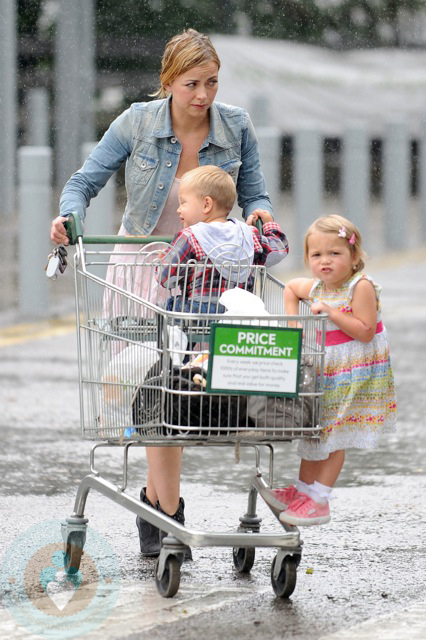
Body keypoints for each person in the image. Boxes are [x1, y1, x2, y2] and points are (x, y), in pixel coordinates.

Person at [49, 28, 281, 559]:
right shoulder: (136, 122)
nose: (203, 95)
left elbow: (256, 193)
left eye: (212, 83)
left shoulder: (236, 125)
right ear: (169, 81)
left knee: (184, 390)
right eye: (192, 83)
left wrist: (262, 211)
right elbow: (84, 183)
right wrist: (69, 218)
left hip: (208, 278)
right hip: (142, 269)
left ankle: (158, 505)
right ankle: (169, 513)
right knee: (156, 391)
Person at [265, 214, 397, 526]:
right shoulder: (318, 286)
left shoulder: (359, 286)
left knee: (335, 433)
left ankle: (320, 497)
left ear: (354, 257)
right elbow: (291, 289)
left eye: (335, 254)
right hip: (330, 366)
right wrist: (293, 326)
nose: (325, 261)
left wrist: (332, 313)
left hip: (357, 369)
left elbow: (364, 331)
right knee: (315, 428)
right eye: (316, 255)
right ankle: (302, 491)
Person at [157, 165, 288, 313]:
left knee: (167, 306)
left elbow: (165, 278)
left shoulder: (189, 237)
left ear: (207, 204)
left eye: (183, 203)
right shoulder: (248, 234)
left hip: (199, 315)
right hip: (239, 316)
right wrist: (269, 223)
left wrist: (163, 260)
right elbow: (278, 250)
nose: (178, 209)